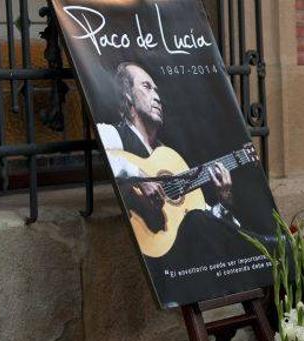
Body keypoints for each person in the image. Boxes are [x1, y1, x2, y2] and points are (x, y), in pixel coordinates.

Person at [97, 61, 237, 234]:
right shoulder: (111, 133)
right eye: (147, 87)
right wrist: (139, 176)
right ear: (127, 94)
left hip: (180, 248)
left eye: (156, 90)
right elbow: (105, 159)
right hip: (139, 235)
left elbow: (204, 214)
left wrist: (224, 200)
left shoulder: (170, 158)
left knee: (200, 222)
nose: (157, 97)